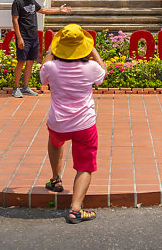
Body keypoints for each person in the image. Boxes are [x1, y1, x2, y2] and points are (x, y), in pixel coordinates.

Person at [39, 23, 106, 224]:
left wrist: (50, 50)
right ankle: (76, 209)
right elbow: (103, 73)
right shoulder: (91, 68)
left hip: (58, 122)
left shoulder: (51, 67)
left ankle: (55, 179)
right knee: (85, 165)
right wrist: (93, 49)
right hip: (84, 124)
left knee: (55, 142)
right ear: (83, 46)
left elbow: (43, 77)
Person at [11, 0, 71, 98]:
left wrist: (59, 10)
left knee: (30, 62)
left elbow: (43, 10)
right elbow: (15, 20)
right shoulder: (18, 2)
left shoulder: (33, 2)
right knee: (21, 62)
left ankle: (25, 87)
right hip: (24, 37)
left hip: (33, 37)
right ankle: (16, 88)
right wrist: (19, 38)